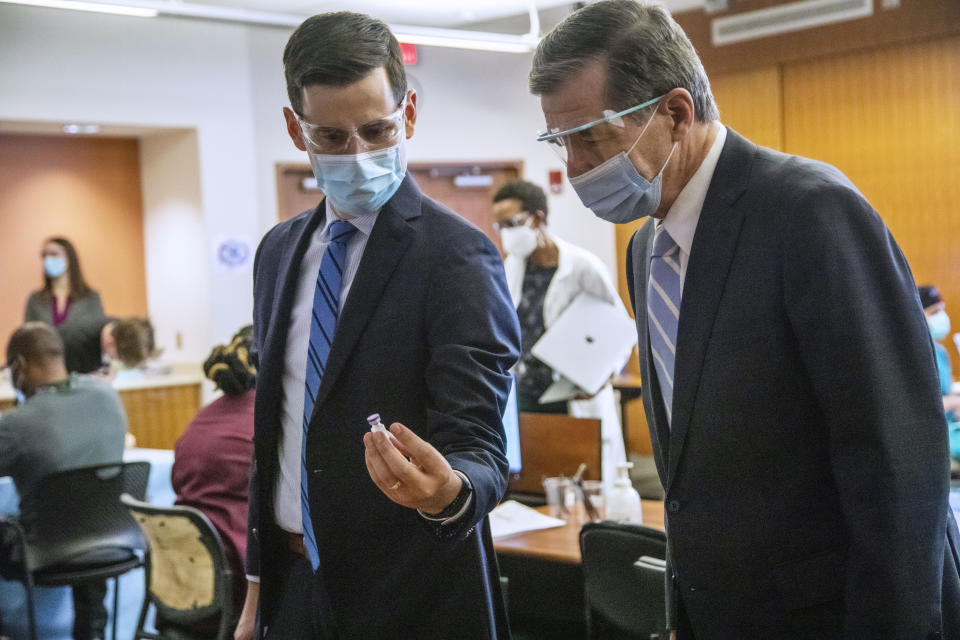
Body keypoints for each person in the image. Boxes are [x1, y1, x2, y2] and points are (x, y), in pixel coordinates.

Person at [529, 1, 960, 637]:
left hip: (829, 614)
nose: (574, 166)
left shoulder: (809, 212)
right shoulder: (647, 247)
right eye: (559, 141)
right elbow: (689, 463)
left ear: (674, 113)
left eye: (591, 136)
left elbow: (899, 463)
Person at [236, 11, 520, 640]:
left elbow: (481, 442)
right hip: (292, 584)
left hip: (409, 592)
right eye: (331, 138)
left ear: (408, 114)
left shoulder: (456, 256)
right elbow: (274, 432)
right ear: (295, 128)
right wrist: (257, 591)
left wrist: (450, 490)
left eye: (376, 129)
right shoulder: (278, 252)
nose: (358, 154)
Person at [494, 179, 629, 485]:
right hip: (526, 391)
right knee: (537, 479)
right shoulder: (512, 266)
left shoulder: (582, 267)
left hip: (573, 392)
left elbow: (618, 330)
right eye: (499, 225)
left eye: (511, 223)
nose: (505, 233)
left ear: (538, 218)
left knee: (581, 478)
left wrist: (603, 374)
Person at [0, 323, 127, 640]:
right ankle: (93, 632)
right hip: (115, 542)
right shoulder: (108, 396)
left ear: (20, 365)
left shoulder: (15, 424)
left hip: (46, 552)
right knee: (86, 522)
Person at [170, 326, 255, 635]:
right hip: (233, 577)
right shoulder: (266, 418)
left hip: (178, 570)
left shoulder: (201, 418)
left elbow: (177, 480)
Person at [23, 237, 105, 329]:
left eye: (54, 254)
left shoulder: (91, 297)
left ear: (70, 258)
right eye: (44, 255)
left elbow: (97, 331)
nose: (48, 259)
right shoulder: (35, 299)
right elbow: (29, 336)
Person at [919, 285, 960, 459]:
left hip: (949, 425)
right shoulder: (916, 356)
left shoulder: (941, 352)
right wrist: (954, 403)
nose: (942, 317)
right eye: (934, 312)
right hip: (931, 432)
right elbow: (919, 407)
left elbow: (947, 390)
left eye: (942, 310)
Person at [58, 315, 156, 374]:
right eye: (120, 358)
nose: (117, 361)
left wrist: (107, 368)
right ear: (111, 342)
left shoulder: (115, 325)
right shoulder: (74, 345)